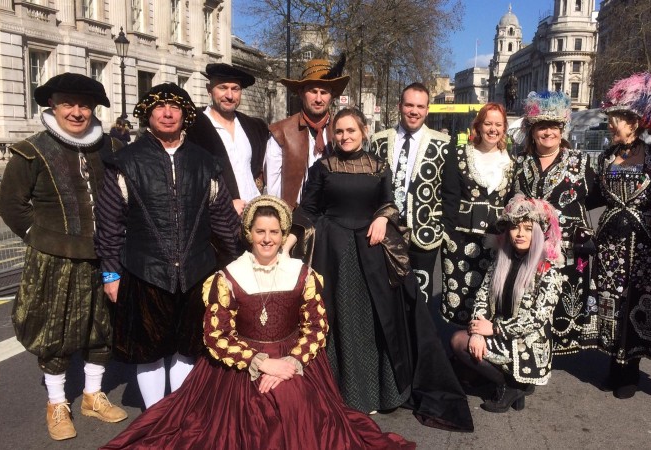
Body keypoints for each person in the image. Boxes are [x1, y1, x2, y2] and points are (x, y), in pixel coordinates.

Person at [102, 195, 415, 450]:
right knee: (245, 417)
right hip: (241, 365)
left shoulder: (301, 273)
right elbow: (216, 336)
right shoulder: (228, 277)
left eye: (275, 232)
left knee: (295, 403)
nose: (268, 239)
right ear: (248, 233)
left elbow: (317, 327)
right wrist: (264, 363)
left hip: (295, 359)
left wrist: (290, 364)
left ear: (283, 235)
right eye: (261, 231)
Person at [299, 108, 473, 431]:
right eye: (339, 132)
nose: (345, 136)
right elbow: (308, 208)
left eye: (351, 130)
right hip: (332, 251)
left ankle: (377, 392)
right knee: (337, 319)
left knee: (373, 320)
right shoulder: (321, 168)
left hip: (371, 249)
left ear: (364, 131)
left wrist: (382, 216)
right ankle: (341, 390)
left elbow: (389, 201)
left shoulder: (379, 167)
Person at [0, 73, 127, 441]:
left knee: (103, 327)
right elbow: (11, 204)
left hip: (105, 255)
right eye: (68, 103)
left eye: (84, 105)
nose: (77, 112)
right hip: (54, 259)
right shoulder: (30, 150)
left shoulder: (111, 148)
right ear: (52, 105)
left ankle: (92, 395)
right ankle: (57, 402)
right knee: (54, 332)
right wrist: (37, 237)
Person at [94, 83, 240, 409]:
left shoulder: (205, 162)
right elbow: (109, 225)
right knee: (149, 351)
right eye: (159, 107)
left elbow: (224, 221)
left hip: (197, 271)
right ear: (148, 114)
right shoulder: (126, 161)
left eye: (175, 107)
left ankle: (180, 412)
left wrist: (235, 269)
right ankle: (155, 414)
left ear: (185, 115)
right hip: (144, 270)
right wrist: (110, 275)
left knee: (188, 347)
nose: (167, 113)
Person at [593, 72, 651, 399]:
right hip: (611, 244)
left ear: (634, 122)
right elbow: (595, 195)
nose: (611, 125)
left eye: (615, 119)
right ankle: (614, 366)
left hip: (644, 246)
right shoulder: (605, 157)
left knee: (640, 303)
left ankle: (631, 370)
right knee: (611, 302)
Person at [450, 195, 564, 413]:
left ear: (539, 233)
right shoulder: (502, 259)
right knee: (460, 355)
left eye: (528, 228)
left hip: (527, 344)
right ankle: (508, 381)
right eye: (514, 227)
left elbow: (537, 318)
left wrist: (493, 329)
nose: (520, 234)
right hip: (497, 334)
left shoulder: (549, 268)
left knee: (458, 342)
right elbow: (482, 296)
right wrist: (478, 333)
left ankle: (511, 385)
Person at [512, 91, 598, 355]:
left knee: (565, 299)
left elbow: (595, 197)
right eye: (541, 127)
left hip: (568, 249)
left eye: (553, 126)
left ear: (563, 129)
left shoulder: (581, 163)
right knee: (531, 297)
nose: (547, 132)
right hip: (531, 246)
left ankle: (559, 346)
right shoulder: (521, 163)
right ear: (532, 131)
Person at [370, 83, 449, 304]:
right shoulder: (378, 141)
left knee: (420, 298)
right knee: (388, 294)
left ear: (427, 110)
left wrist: (443, 227)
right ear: (400, 106)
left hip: (425, 231)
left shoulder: (443, 144)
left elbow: (450, 192)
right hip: (387, 231)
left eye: (420, 106)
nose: (414, 111)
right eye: (409, 105)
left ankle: (419, 339)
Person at [440, 102, 515, 325]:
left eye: (498, 124)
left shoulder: (511, 162)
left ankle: (482, 351)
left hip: (497, 242)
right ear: (478, 126)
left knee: (491, 300)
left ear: (504, 128)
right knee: (461, 301)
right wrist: (447, 232)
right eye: (488, 123)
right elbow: (449, 195)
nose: (493, 129)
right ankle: (460, 351)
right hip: (460, 241)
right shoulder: (460, 154)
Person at [265, 56, 349, 208]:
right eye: (313, 91)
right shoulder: (281, 132)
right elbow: (273, 185)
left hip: (331, 217)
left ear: (332, 96)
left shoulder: (341, 131)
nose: (318, 99)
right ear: (302, 93)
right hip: (293, 217)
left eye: (323, 92)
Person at [187, 63, 269, 215]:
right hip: (219, 218)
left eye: (235, 89)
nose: (229, 96)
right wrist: (225, 204)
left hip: (254, 213)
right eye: (223, 88)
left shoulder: (254, 127)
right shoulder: (194, 127)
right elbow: (189, 178)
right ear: (209, 90)